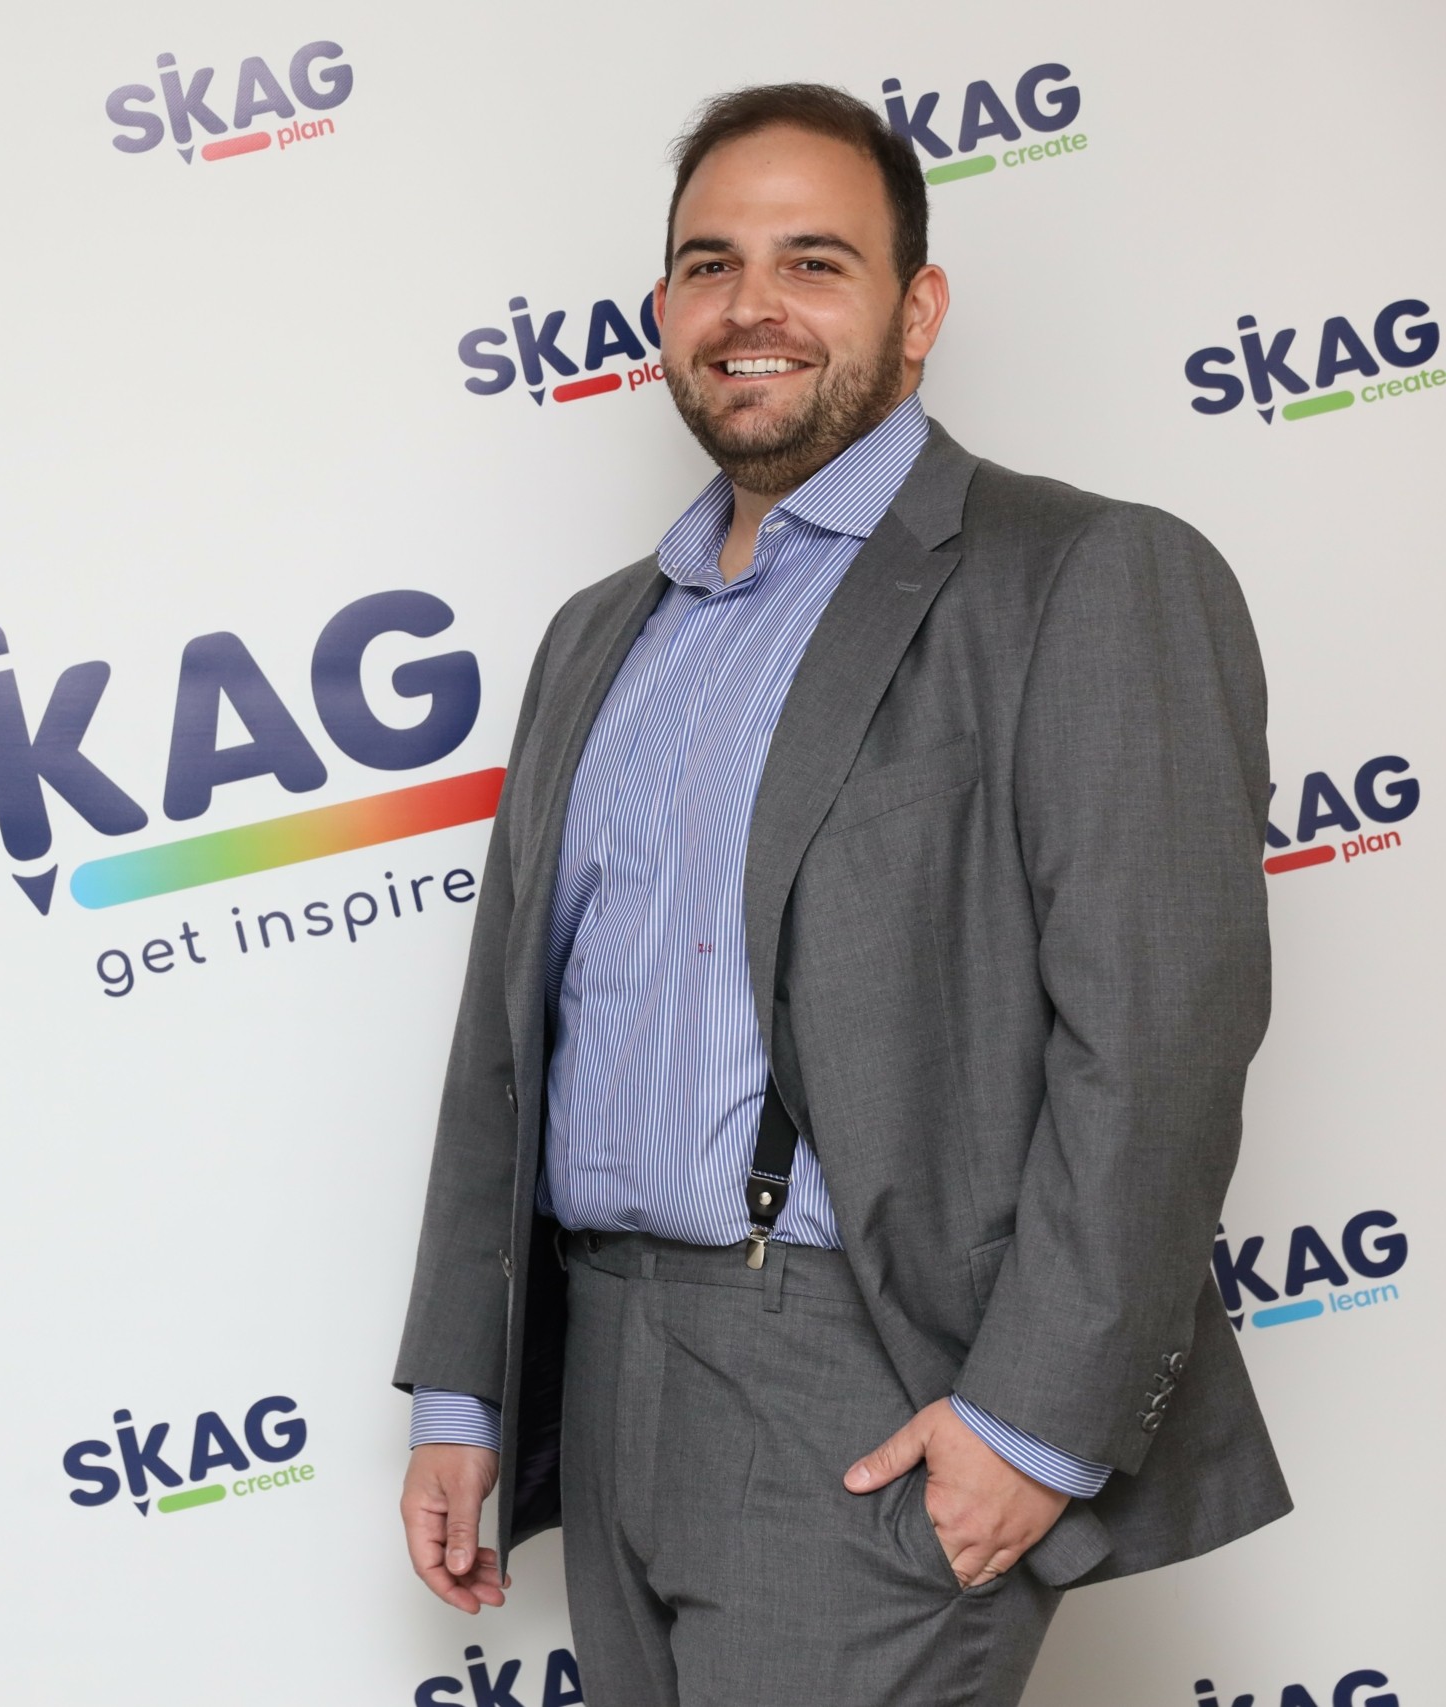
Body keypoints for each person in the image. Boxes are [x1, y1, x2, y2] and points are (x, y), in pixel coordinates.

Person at [391, 83, 1288, 1705]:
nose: (754, 306)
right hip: (605, 1356)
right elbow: (507, 1047)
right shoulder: (600, 634)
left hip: (862, 1379)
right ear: (664, 311)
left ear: (917, 310)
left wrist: (1032, 1427)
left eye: (815, 261)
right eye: (711, 265)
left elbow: (1160, 1035)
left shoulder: (1083, 574)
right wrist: (467, 1388)